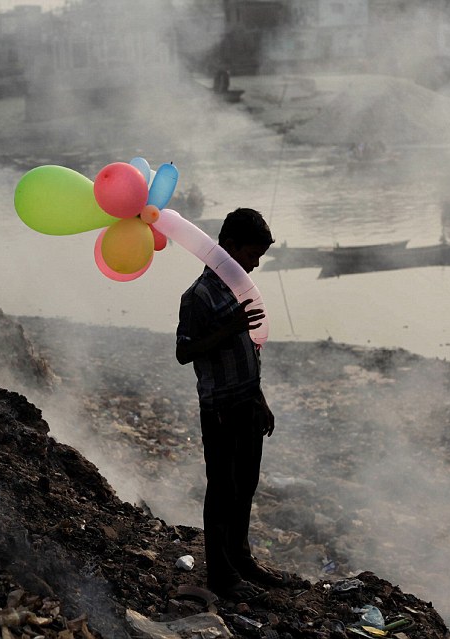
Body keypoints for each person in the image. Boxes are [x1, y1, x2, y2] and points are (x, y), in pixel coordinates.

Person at [175, 207, 289, 603]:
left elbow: (250, 350)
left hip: (246, 404)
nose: (255, 264)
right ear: (227, 247)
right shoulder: (199, 295)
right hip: (220, 409)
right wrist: (229, 328)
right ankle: (221, 574)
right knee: (222, 488)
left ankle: (241, 560)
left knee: (245, 486)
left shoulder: (237, 291)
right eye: (251, 254)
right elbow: (184, 351)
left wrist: (261, 399)